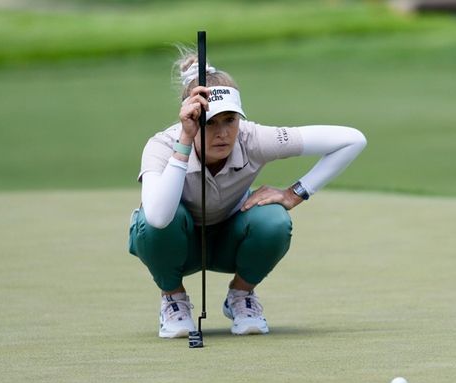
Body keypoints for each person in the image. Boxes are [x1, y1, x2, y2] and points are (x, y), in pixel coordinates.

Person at [128, 49, 366, 338]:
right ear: (189, 118)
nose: (223, 133)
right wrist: (186, 140)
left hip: (230, 237)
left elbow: (353, 140)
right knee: (152, 226)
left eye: (230, 120)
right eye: (210, 122)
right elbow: (158, 216)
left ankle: (240, 296)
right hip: (178, 240)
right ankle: (173, 300)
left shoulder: (252, 138)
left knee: (274, 221)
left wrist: (295, 193)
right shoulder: (162, 146)